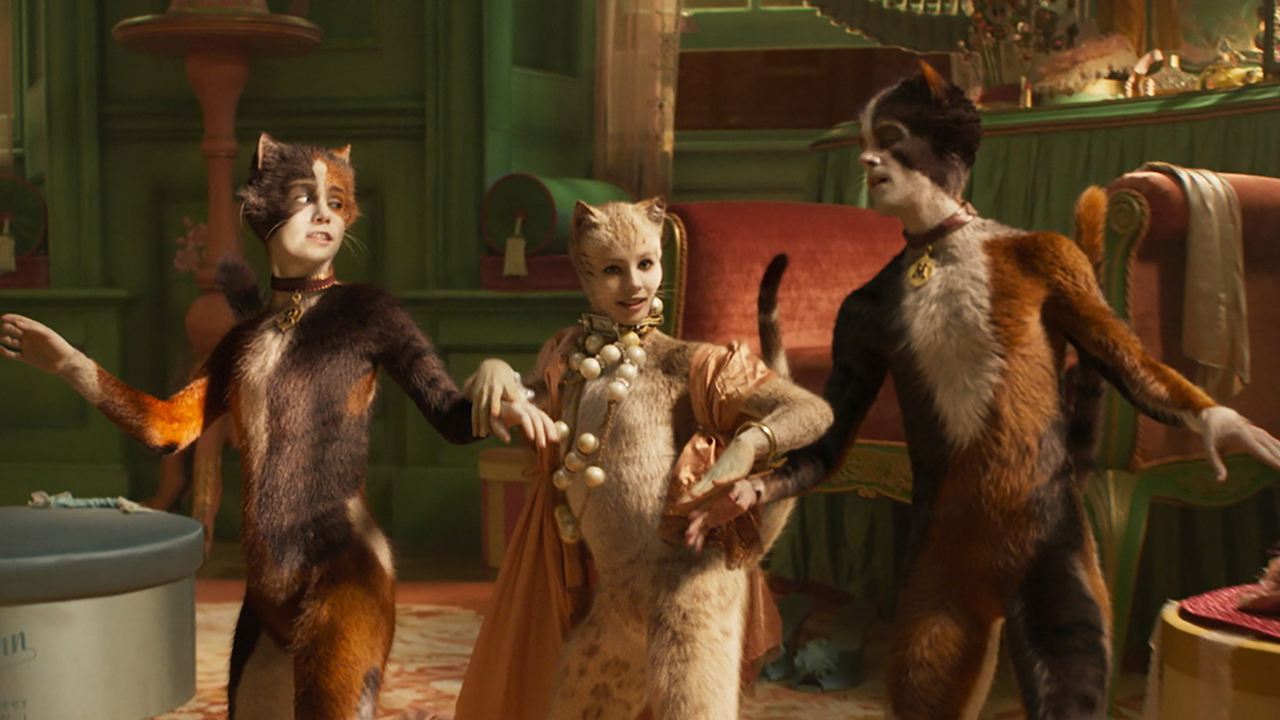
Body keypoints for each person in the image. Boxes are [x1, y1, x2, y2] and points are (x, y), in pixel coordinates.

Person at [679, 65, 1280, 718]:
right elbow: (830, 441)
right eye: (864, 143)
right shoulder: (869, 307)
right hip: (943, 556)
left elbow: (1122, 358)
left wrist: (1207, 414)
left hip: (1047, 540)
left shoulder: (1038, 258)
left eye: (889, 139)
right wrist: (758, 487)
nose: (868, 157)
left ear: (949, 153)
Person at [0, 133, 557, 719]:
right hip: (265, 591)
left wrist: (499, 385)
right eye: (303, 197)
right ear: (261, 207)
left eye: (335, 202)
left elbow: (452, 418)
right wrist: (70, 364)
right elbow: (165, 430)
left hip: (344, 574)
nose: (324, 213)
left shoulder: (369, 313)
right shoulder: (243, 342)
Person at [454, 197, 832, 719]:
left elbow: (812, 413)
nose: (634, 284)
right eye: (613, 269)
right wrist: (492, 372)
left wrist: (749, 445)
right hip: (617, 599)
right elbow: (508, 407)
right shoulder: (570, 359)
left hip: (690, 588)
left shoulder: (683, 362)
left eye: (646, 264)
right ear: (584, 269)